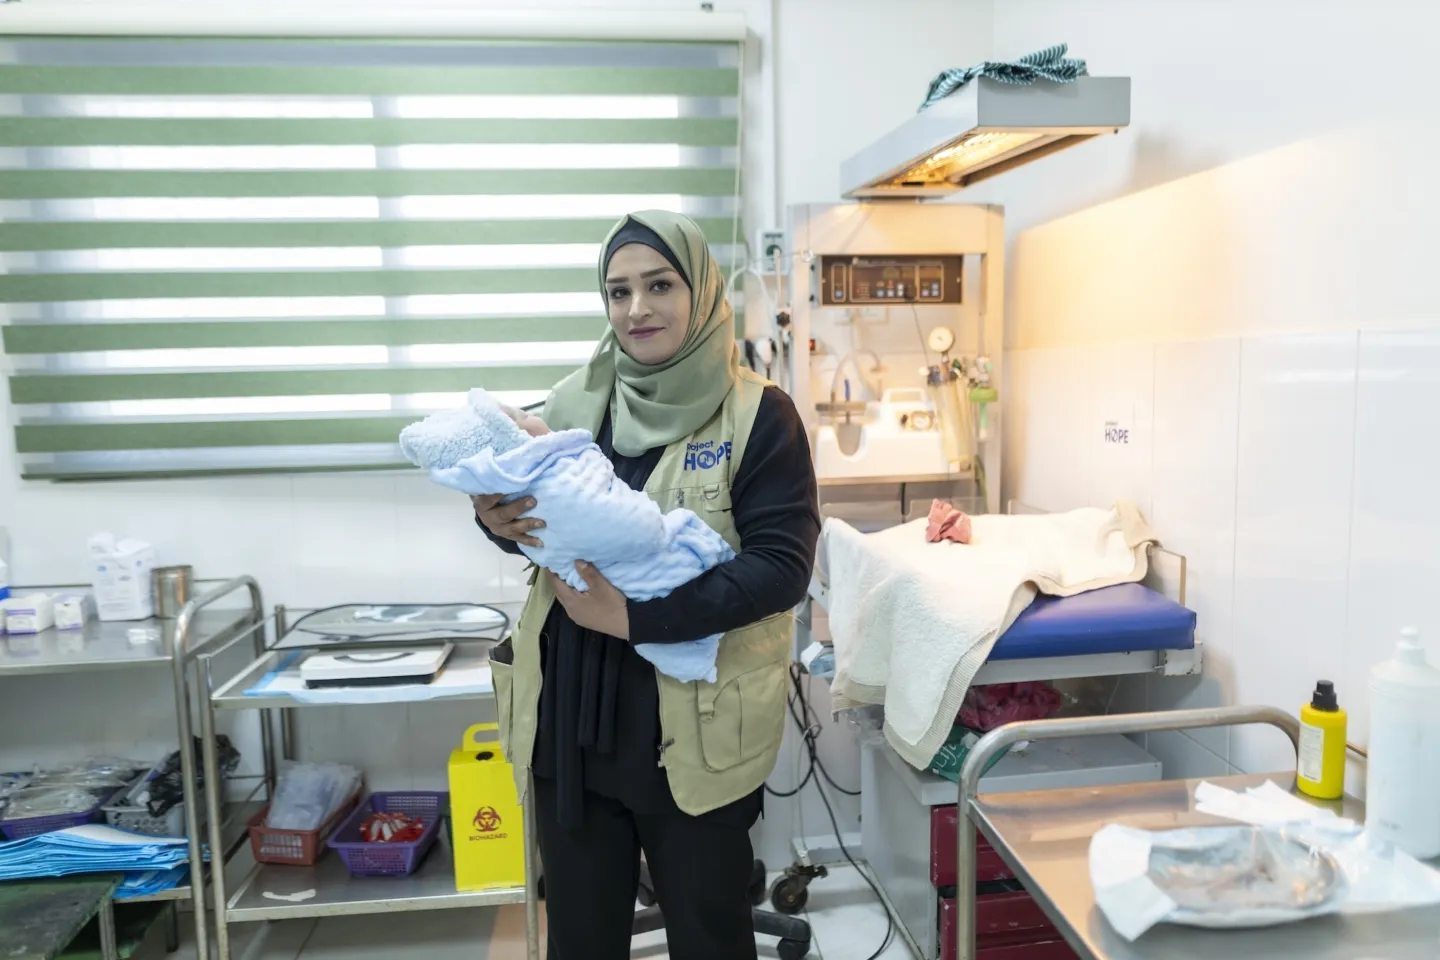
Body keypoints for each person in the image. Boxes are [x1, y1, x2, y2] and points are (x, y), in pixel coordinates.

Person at [471, 210, 820, 960]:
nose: (636, 309)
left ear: (700, 291)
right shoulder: (570, 406)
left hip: (689, 727)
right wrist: (494, 516)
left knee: (708, 936)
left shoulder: (761, 416)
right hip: (569, 719)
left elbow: (781, 568)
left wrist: (633, 617)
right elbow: (528, 519)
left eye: (659, 285)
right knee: (580, 940)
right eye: (618, 290)